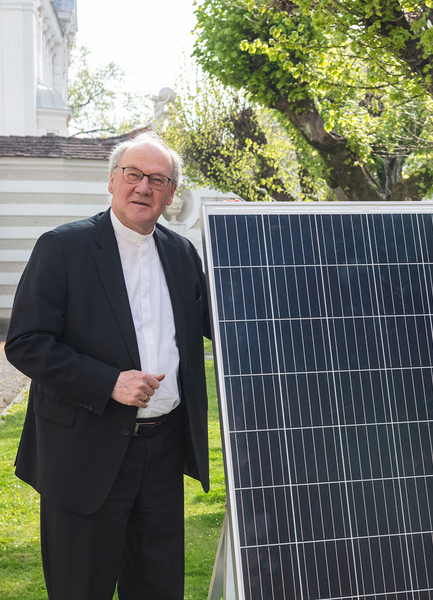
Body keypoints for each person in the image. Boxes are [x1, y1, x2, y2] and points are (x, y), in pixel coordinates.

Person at [5, 131, 211, 600]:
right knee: (81, 589)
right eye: (133, 175)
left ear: (171, 194)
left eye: (157, 180)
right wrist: (108, 382)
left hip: (162, 453)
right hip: (84, 452)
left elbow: (213, 323)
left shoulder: (181, 254)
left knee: (158, 589)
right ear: (112, 180)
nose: (144, 187)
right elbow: (26, 343)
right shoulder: (63, 247)